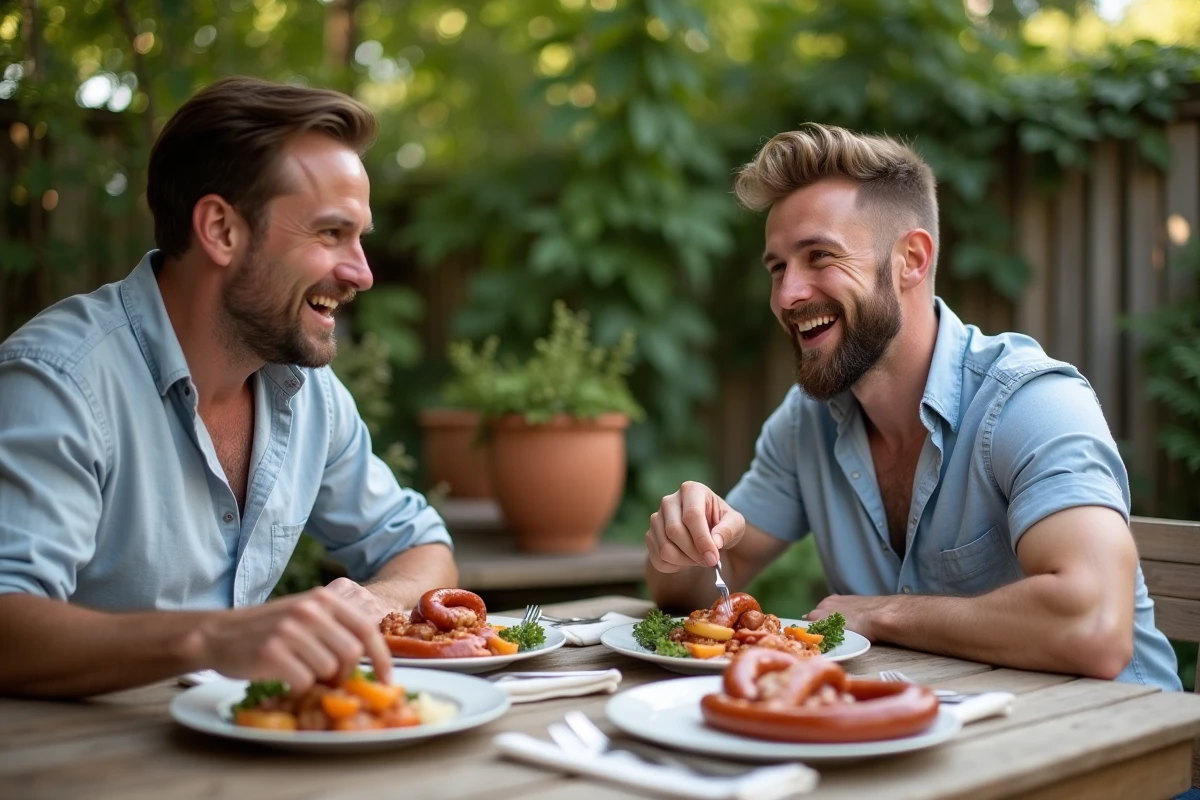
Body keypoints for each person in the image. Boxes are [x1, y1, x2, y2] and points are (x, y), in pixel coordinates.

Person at [645, 123, 1181, 690]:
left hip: (1127, 757)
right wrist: (682, 545)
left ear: (912, 259)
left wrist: (880, 614)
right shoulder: (806, 421)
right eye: (778, 267)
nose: (786, 295)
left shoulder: (1032, 402)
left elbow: (1094, 627)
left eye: (819, 256)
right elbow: (693, 593)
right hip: (944, 749)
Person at [0, 77, 457, 698]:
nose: (362, 272)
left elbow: (423, 547)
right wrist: (214, 637)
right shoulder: (58, 381)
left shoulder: (308, 394)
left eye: (360, 237)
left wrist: (367, 605)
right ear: (220, 229)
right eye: (330, 233)